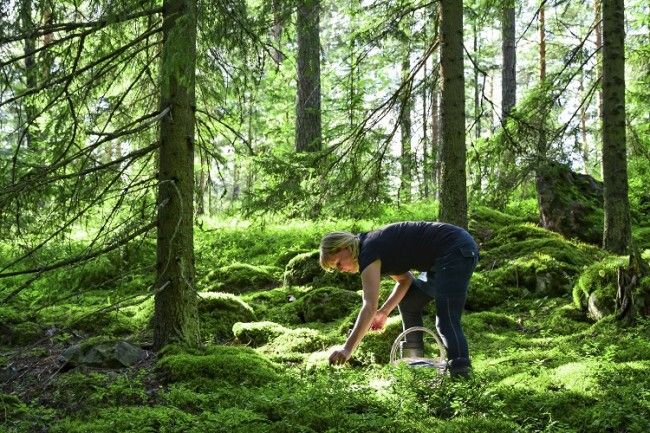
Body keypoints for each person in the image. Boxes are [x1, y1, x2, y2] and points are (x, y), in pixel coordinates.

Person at [319, 221, 479, 376]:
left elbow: (369, 307)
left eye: (338, 263)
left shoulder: (368, 250)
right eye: (336, 268)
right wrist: (384, 312)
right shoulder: (372, 246)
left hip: (455, 250)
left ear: (344, 247)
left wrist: (347, 349)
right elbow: (405, 280)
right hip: (441, 260)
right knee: (410, 302)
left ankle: (461, 374)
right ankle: (415, 363)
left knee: (446, 320)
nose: (340, 269)